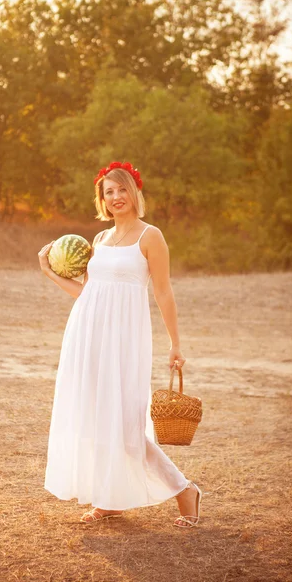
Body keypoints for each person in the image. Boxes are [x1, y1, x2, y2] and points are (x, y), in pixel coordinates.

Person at [38, 161, 202, 527]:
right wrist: (49, 272)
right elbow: (88, 294)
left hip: (126, 339)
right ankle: (110, 499)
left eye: (121, 189)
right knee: (97, 420)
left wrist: (176, 344)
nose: (115, 197)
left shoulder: (150, 236)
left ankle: (184, 489)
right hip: (88, 335)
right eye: (108, 192)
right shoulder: (99, 240)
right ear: (102, 199)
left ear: (134, 192)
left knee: (127, 429)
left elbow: (163, 291)